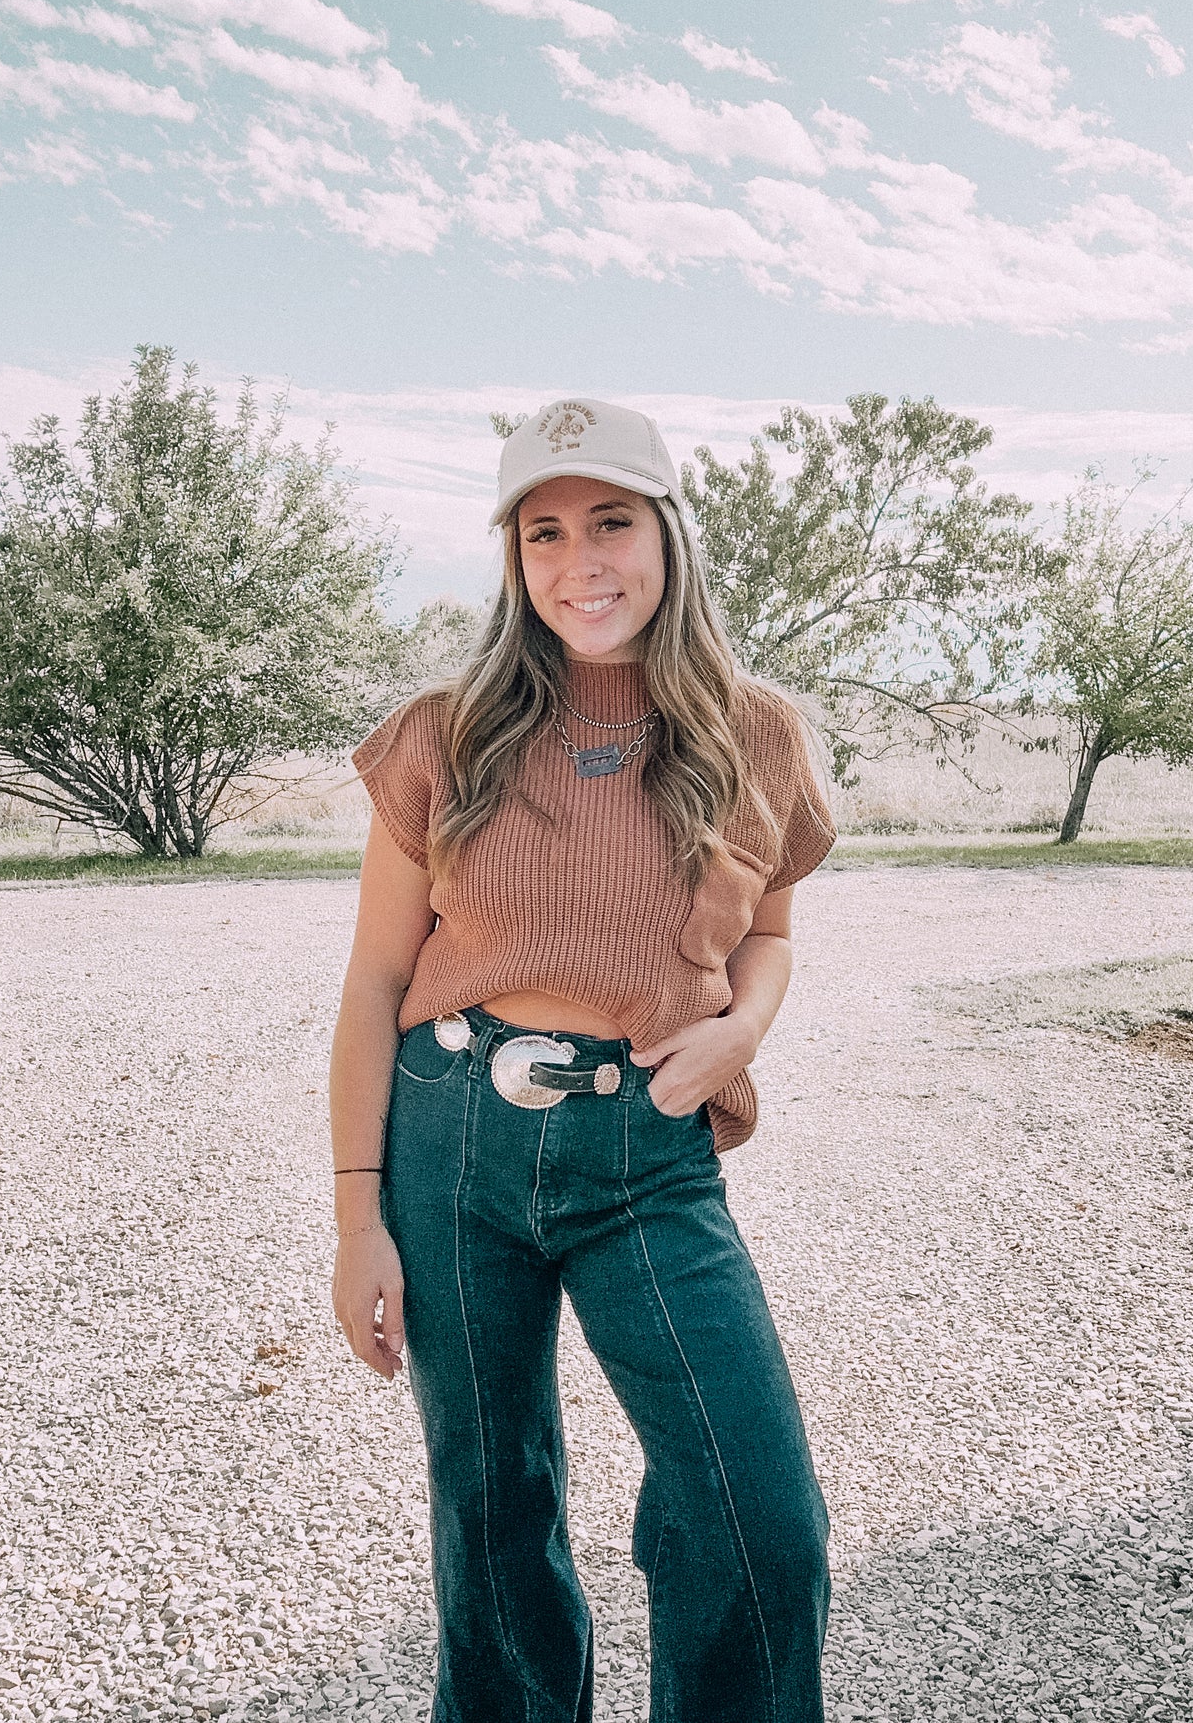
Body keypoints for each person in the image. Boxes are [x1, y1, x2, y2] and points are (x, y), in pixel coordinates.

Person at [329, 398, 837, 1723]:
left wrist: (745, 1025)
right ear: (513, 557)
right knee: (490, 1513)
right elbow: (377, 981)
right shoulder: (447, 732)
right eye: (542, 531)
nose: (578, 559)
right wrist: (354, 1219)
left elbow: (769, 933)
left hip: (646, 1153)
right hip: (448, 1144)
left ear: (665, 532)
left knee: (756, 1515)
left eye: (609, 519)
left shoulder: (754, 734)